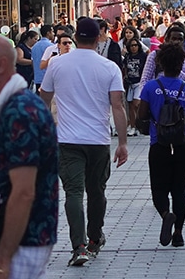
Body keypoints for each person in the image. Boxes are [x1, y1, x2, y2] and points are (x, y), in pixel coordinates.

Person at [0, 34, 59, 279]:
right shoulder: (13, 106)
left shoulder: (20, 112)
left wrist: (2, 261)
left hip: (22, 241)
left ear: (1, 66)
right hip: (16, 236)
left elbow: (23, 191)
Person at [39, 17, 128, 266]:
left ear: (76, 37)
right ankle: (95, 237)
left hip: (67, 140)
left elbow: (43, 98)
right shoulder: (109, 67)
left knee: (73, 192)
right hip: (99, 140)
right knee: (97, 190)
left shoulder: (57, 65)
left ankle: (78, 246)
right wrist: (122, 142)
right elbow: (118, 106)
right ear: (98, 38)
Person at [137, 42, 185, 248]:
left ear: (160, 63)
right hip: (183, 143)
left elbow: (142, 117)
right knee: (180, 190)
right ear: (181, 64)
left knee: (159, 189)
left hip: (159, 144)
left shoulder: (151, 87)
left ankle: (165, 214)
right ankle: (179, 234)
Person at [122, 39, 148, 135]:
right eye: (132, 45)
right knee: (130, 105)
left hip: (139, 83)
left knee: (136, 103)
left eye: (135, 45)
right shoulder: (127, 57)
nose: (134, 47)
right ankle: (133, 126)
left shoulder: (143, 56)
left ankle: (139, 125)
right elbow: (124, 68)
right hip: (130, 83)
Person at [30, 25, 55, 90]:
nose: (53, 34)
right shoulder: (51, 46)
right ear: (48, 33)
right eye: (52, 32)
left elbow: (32, 62)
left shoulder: (34, 46)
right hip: (48, 78)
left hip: (37, 77)